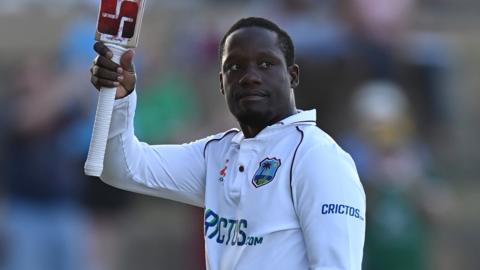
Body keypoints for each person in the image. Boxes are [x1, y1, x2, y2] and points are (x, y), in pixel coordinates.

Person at [90, 17, 365, 270]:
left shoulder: (318, 157)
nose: (250, 77)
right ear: (222, 83)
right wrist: (119, 99)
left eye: (266, 64)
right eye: (235, 67)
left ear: (292, 75)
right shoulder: (217, 154)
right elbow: (122, 169)